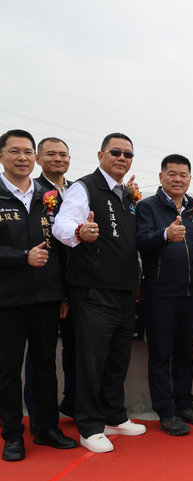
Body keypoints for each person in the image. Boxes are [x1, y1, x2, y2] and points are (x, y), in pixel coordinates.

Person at [52, 132, 146, 453]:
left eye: (128, 154)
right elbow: (61, 226)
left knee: (118, 358)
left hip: (123, 291)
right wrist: (80, 231)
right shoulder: (84, 188)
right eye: (116, 152)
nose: (122, 158)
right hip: (92, 290)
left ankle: (113, 414)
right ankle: (89, 425)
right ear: (100, 155)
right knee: (90, 360)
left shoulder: (128, 195)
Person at [0, 129, 78, 462]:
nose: (22, 157)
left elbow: (59, 250)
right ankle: (13, 435)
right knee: (7, 369)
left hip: (47, 297)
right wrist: (21, 258)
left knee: (45, 364)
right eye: (14, 151)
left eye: (27, 152)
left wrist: (61, 293)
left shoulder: (48, 197)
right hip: (7, 299)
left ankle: (46, 428)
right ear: (2, 155)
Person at [136, 154, 193, 436]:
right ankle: (165, 411)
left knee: (185, 354)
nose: (178, 179)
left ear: (190, 178)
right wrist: (165, 234)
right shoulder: (147, 207)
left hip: (191, 296)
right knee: (159, 355)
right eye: (172, 174)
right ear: (161, 177)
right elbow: (140, 242)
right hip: (159, 295)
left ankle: (184, 404)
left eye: (183, 175)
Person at [24, 137, 75, 425]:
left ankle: (73, 403)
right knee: (40, 356)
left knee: (77, 349)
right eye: (51, 154)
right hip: (43, 286)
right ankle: (39, 416)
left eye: (63, 154)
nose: (58, 159)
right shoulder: (33, 192)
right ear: (38, 159)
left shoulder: (78, 191)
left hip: (78, 282)